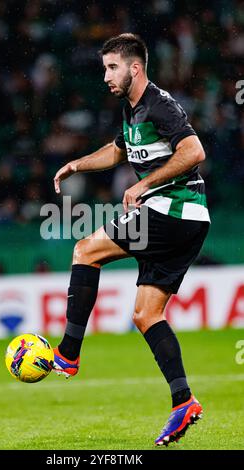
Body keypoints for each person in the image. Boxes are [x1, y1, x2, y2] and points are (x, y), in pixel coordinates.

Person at [52, 33, 210, 447]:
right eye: (105, 68)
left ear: (134, 68)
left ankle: (67, 355)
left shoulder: (159, 104)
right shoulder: (132, 110)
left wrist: (146, 186)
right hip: (185, 220)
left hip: (172, 211)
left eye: (112, 67)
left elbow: (194, 152)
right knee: (146, 315)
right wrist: (77, 165)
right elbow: (120, 151)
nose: (106, 76)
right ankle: (183, 401)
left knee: (85, 250)